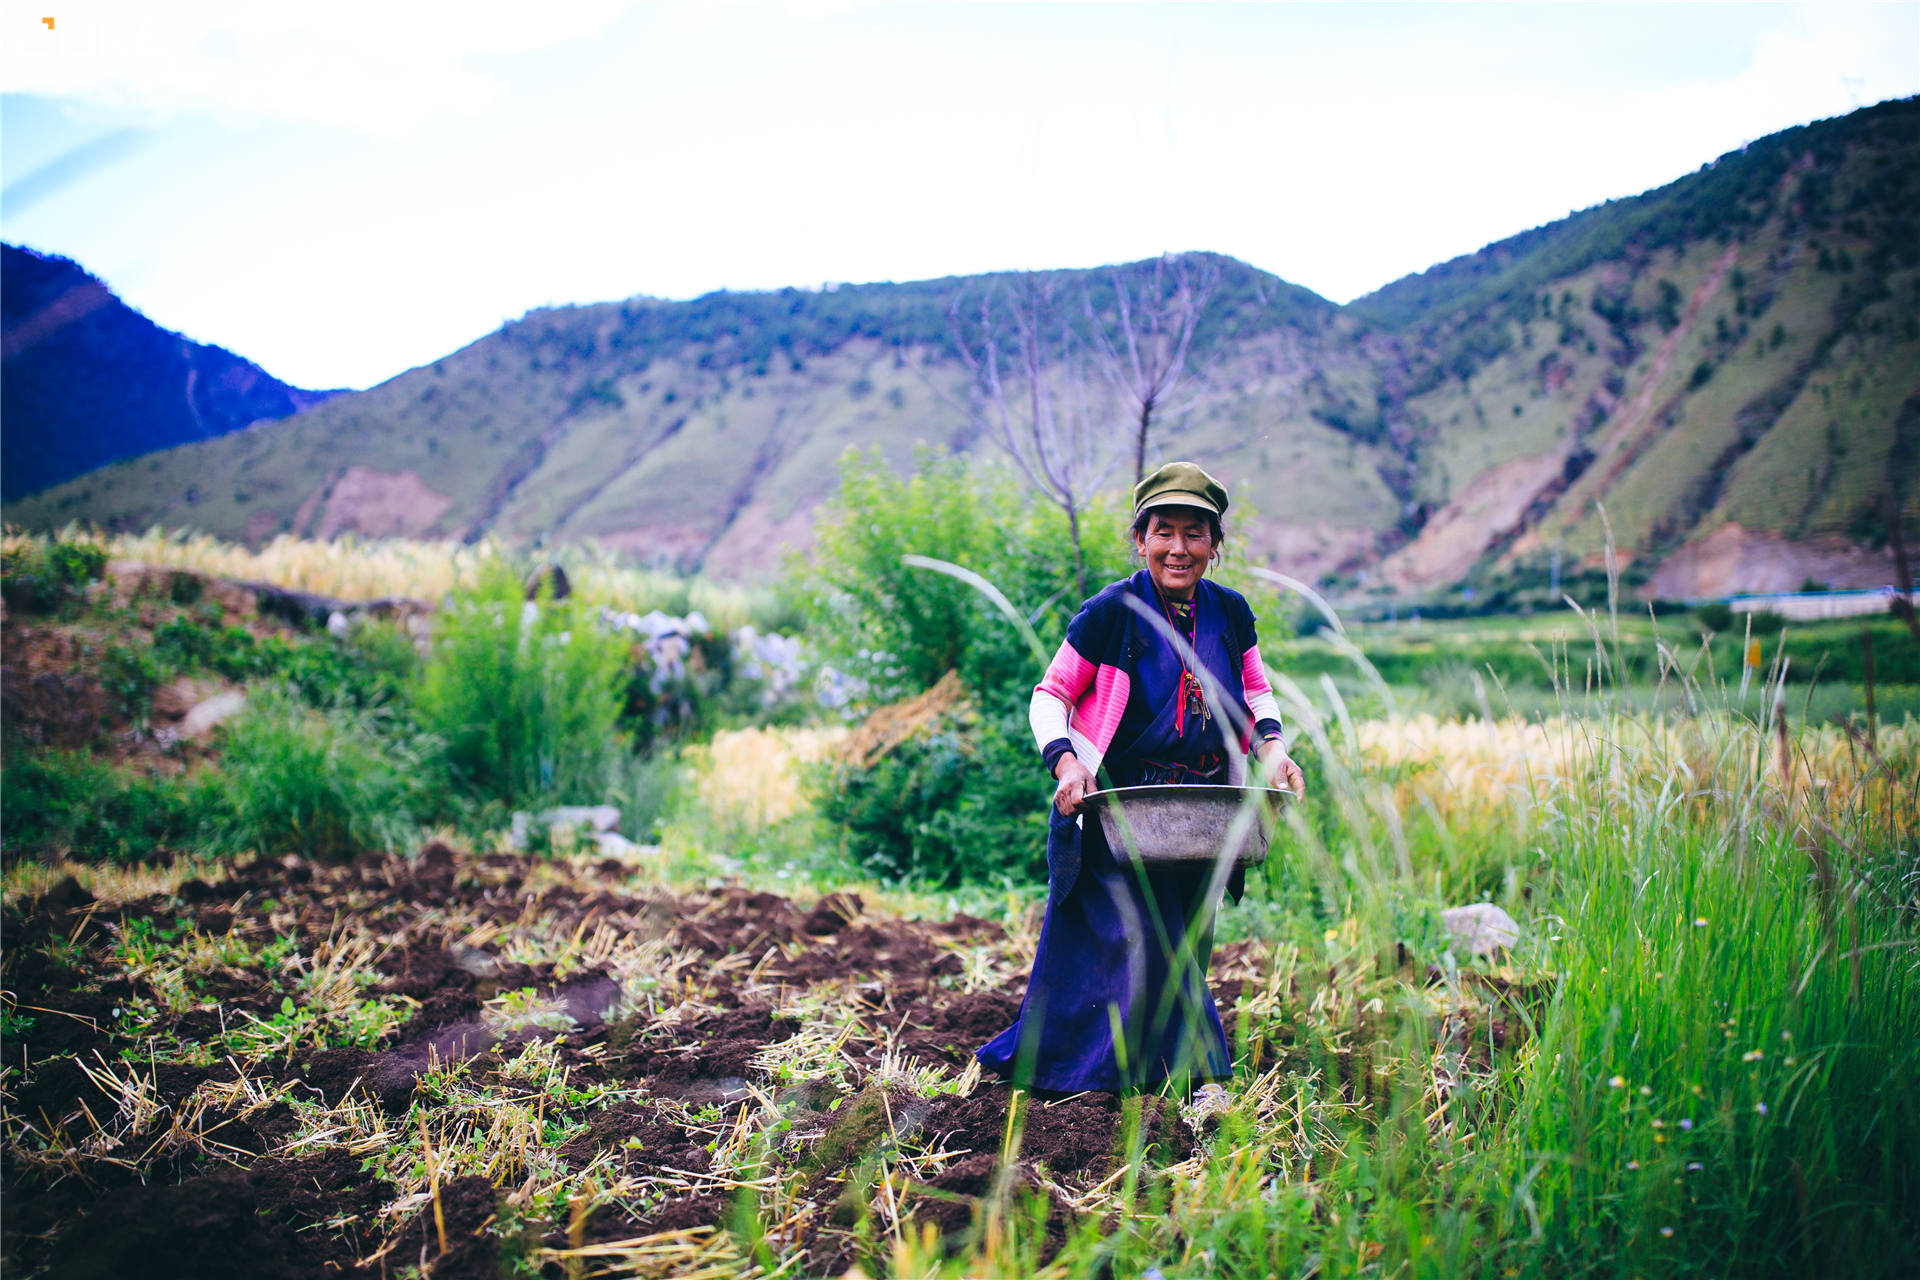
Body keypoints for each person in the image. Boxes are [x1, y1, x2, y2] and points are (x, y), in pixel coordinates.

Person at [976, 461, 1305, 1095]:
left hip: (1199, 812)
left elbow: (1257, 693)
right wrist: (1066, 760)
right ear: (1140, 539)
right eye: (1164, 532)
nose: (1178, 548)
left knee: (1184, 937)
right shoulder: (1111, 613)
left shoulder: (1230, 614)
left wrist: (1271, 747)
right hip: (1116, 808)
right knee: (1139, 938)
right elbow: (1051, 696)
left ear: (1215, 543)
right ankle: (1181, 1076)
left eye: (1194, 533)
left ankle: (1136, 1075)